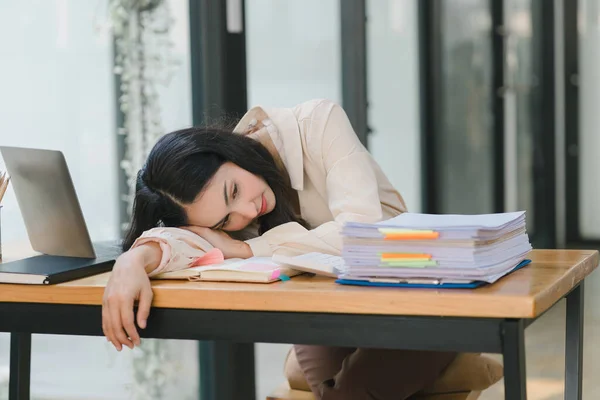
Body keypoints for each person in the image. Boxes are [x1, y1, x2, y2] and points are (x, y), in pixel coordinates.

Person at [102, 99, 456, 399]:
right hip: (329, 308)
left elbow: (360, 231)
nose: (245, 213)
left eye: (234, 192)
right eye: (225, 222)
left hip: (413, 294)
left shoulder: (318, 123)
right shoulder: (226, 205)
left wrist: (248, 249)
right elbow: (189, 241)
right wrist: (134, 259)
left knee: (347, 392)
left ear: (228, 151)